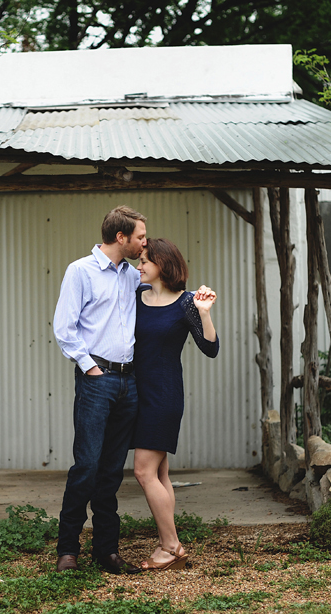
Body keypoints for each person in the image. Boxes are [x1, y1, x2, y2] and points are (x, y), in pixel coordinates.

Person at [52, 205, 148, 575]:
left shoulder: (131, 274)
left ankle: (106, 550)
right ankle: (67, 551)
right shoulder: (81, 271)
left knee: (111, 471)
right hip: (98, 380)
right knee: (87, 467)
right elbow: (65, 327)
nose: (144, 242)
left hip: (129, 382)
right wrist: (90, 367)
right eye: (140, 236)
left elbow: (165, 283)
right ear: (121, 237)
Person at [132, 237, 219, 571]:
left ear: (162, 264)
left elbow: (210, 348)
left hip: (164, 395)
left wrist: (204, 313)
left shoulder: (186, 303)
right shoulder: (137, 296)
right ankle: (168, 543)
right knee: (159, 471)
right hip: (137, 393)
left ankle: (170, 546)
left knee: (142, 471)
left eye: (144, 261)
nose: (138, 267)